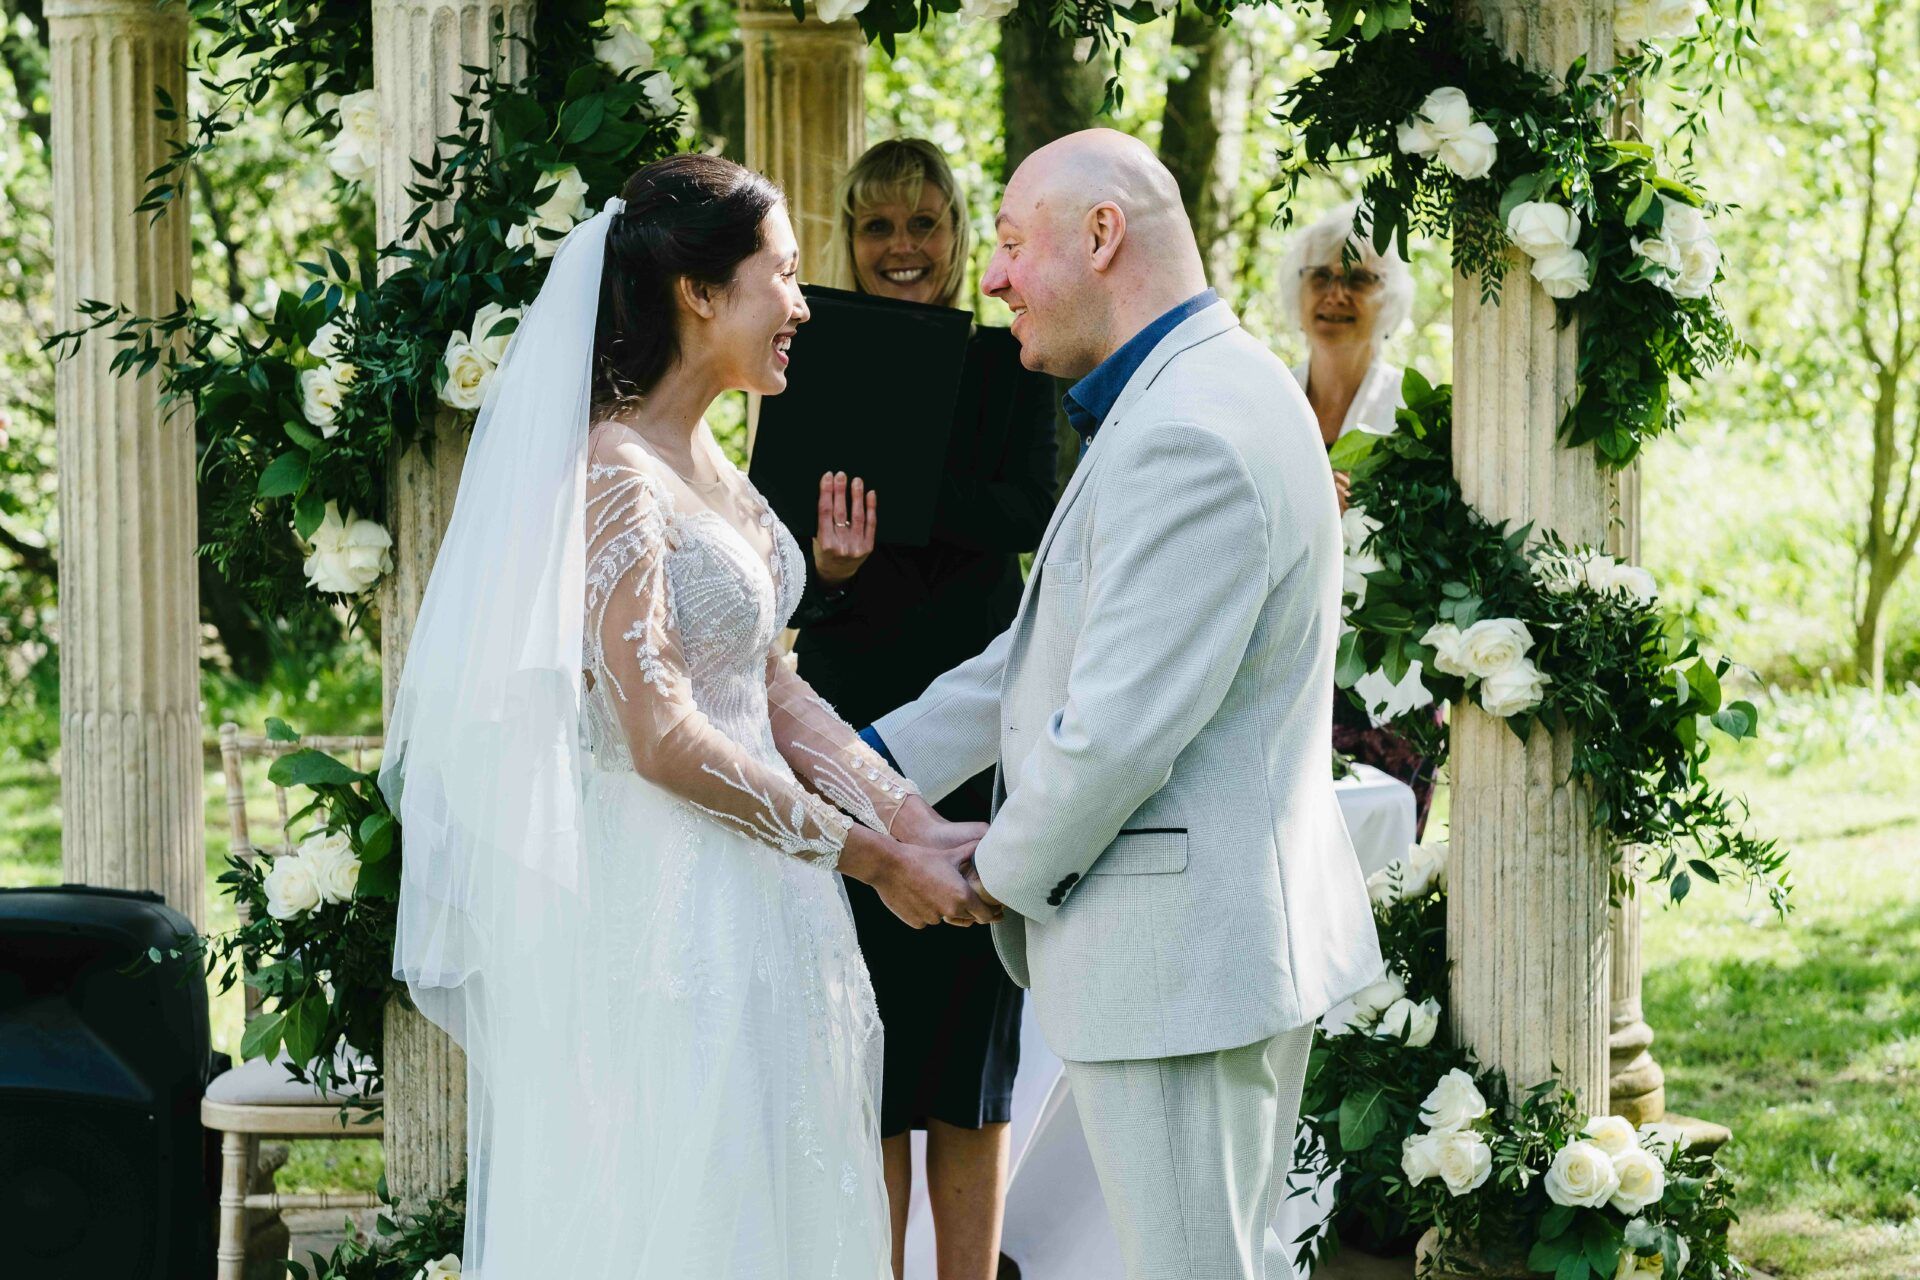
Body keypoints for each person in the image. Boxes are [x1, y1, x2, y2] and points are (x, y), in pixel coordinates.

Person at [381, 153, 998, 1278]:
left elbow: (770, 688)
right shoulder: (616, 474)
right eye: (785, 274)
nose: (805, 305)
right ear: (700, 294)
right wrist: (869, 858)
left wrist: (910, 816)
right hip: (670, 912)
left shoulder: (714, 462)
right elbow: (660, 736)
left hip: (777, 902)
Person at [861, 130, 1384, 1280]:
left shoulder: (1189, 427)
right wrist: (865, 756)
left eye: (1006, 244)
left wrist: (977, 876)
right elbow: (1043, 653)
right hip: (1206, 948)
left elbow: (1111, 734)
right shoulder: (1198, 387)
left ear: (1102, 237)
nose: (990, 277)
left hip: (1184, 968)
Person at [798, 137, 1057, 1280]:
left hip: (984, 709)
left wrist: (902, 495)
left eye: (924, 225)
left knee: (968, 1047)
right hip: (851, 716)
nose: (902, 248)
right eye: (878, 228)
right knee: (877, 1048)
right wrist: (835, 568)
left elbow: (1031, 505)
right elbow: (779, 566)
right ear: (849, 241)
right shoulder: (808, 362)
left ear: (959, 238)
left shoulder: (1015, 362)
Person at [1282, 203, 1437, 832]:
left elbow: (1443, 549)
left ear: (1391, 297)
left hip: (1389, 685)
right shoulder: (1269, 398)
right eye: (1319, 276)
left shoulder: (1417, 412)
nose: (1336, 294)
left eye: (1359, 279)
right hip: (1282, 671)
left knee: (1380, 887)